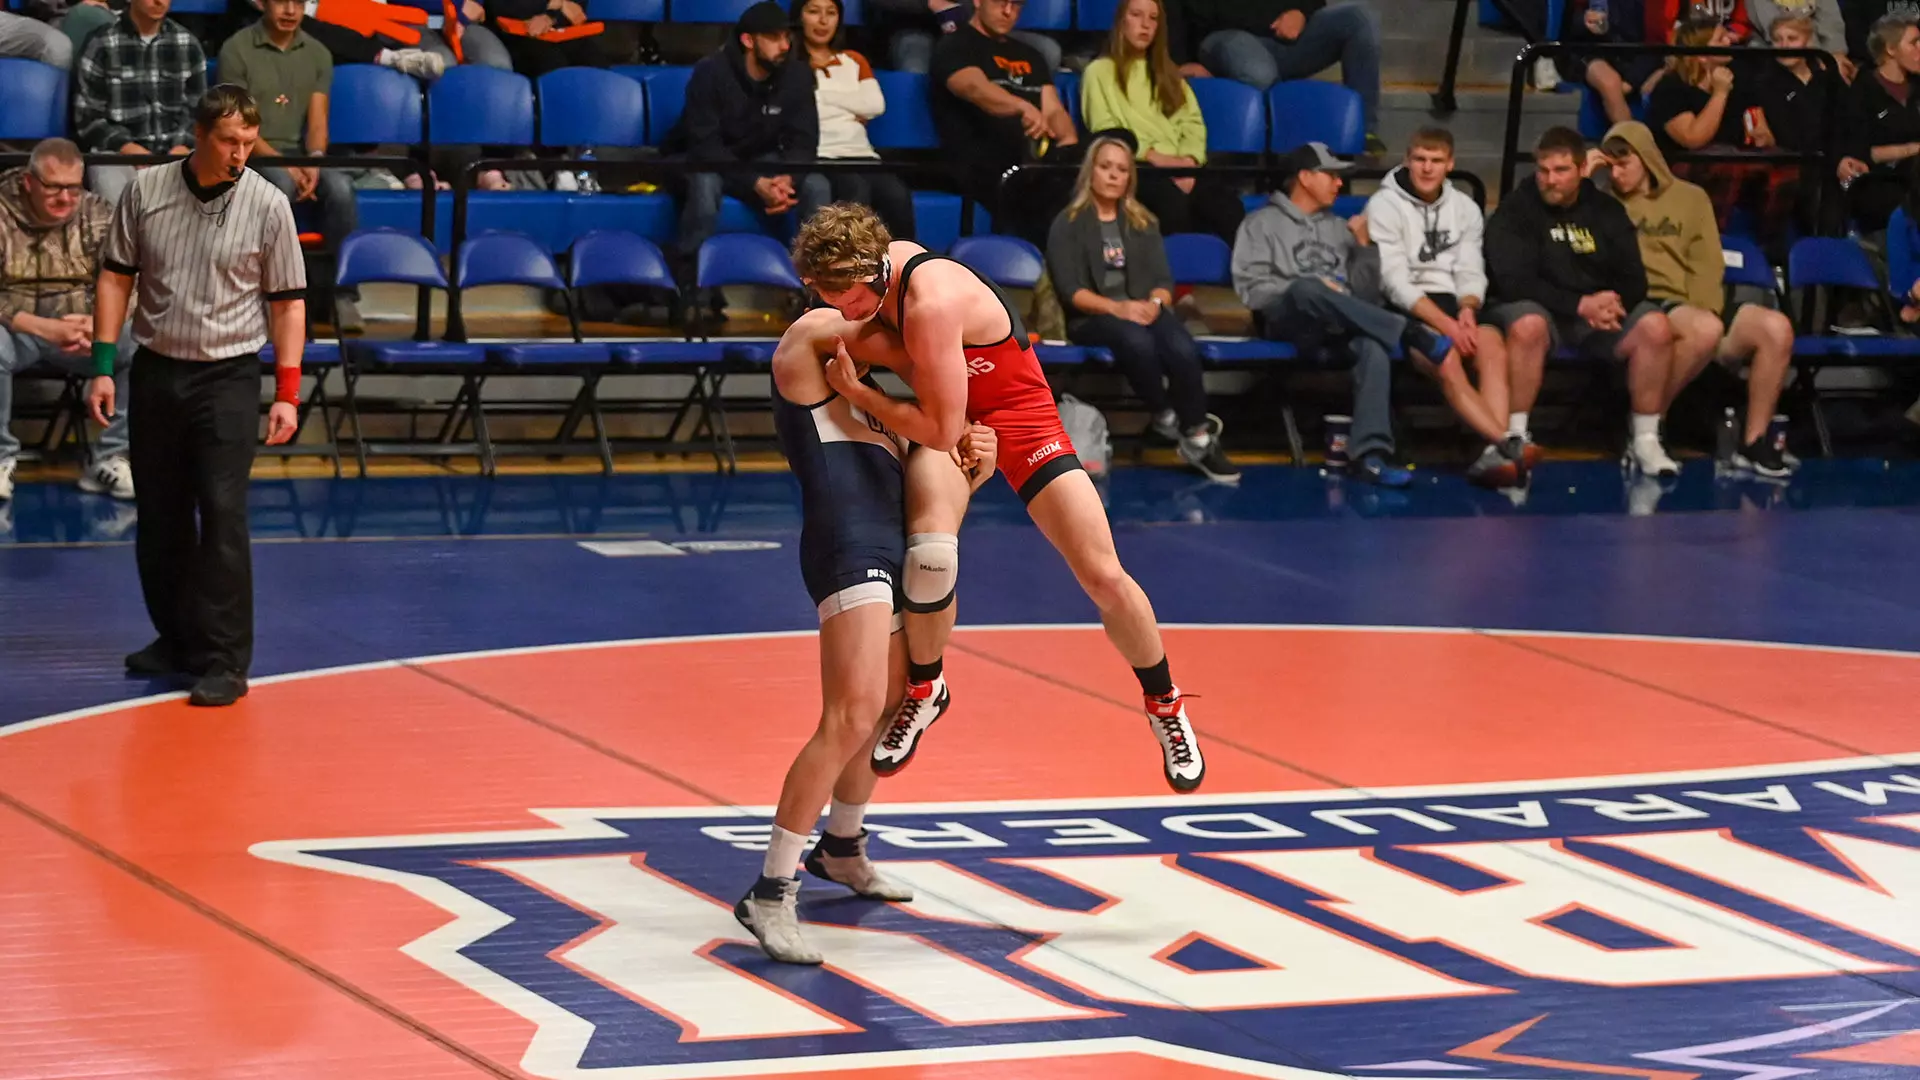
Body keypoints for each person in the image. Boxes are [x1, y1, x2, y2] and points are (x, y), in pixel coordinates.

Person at [790, 202, 1208, 796]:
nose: (842, 308)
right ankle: (925, 688)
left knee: (1103, 574)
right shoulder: (870, 272)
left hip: (1018, 418)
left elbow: (935, 429)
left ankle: (1165, 705)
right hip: (953, 412)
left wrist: (860, 393)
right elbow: (942, 419)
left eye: (847, 296)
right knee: (930, 555)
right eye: (828, 295)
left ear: (873, 271)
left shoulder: (929, 302)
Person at [734, 306, 998, 965]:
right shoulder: (807, 351)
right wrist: (960, 370)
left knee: (884, 707)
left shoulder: (889, 403)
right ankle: (770, 891)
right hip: (847, 548)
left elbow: (935, 498)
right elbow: (875, 334)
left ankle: (842, 848)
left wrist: (973, 460)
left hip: (893, 544)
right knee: (849, 714)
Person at [86, 85, 306, 707]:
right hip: (156, 369)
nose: (240, 154)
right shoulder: (146, 191)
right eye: (229, 141)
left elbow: (288, 304)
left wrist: (286, 394)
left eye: (247, 143)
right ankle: (177, 637)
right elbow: (115, 278)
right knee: (160, 515)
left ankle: (225, 659)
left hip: (229, 375)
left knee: (223, 514)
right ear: (199, 134)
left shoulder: (268, 203)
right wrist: (104, 366)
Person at [1232, 142, 1451, 487]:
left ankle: (1371, 456)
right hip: (1289, 321)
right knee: (1308, 288)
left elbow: (1366, 296)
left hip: (1339, 322)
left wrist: (1363, 247)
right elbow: (1253, 291)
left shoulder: (1339, 227)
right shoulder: (1261, 224)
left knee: (1373, 345)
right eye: (1331, 176)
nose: (1339, 184)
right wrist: (1313, 288)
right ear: (1305, 178)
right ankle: (1407, 330)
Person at [1591, 121, 1797, 477]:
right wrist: (1585, 178)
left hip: (1698, 303)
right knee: (1703, 328)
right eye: (1610, 165)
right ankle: (1646, 428)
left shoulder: (1690, 197)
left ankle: (1754, 442)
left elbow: (1707, 263)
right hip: (1647, 302)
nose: (1617, 173)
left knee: (1775, 327)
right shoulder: (1602, 204)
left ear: (1647, 159)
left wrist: (1708, 312)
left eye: (1624, 163)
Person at [1485, 126, 1684, 478]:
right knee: (1527, 325)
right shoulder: (1515, 210)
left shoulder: (1606, 210)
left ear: (1581, 170)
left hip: (1597, 317)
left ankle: (1646, 440)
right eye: (1543, 170)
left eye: (1561, 171)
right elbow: (1514, 281)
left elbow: (1634, 278)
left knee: (1656, 326)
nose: (1550, 180)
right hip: (1540, 309)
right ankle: (1515, 435)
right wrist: (1579, 304)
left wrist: (1609, 306)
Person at [1046, 134, 1238, 482]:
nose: (1113, 175)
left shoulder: (1143, 221)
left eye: (1122, 169)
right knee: (1136, 340)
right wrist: (1118, 309)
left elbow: (1163, 280)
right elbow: (1071, 291)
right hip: (1092, 316)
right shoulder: (1068, 223)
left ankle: (1197, 435)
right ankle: (1165, 415)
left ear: (1130, 177)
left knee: (1181, 345)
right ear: (1091, 172)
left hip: (1142, 308)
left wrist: (1153, 304)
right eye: (1105, 167)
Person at [1364, 127, 1534, 485]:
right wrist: (1448, 326)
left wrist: (1468, 310)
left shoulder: (1465, 208)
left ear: (1450, 164)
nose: (1427, 168)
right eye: (1420, 160)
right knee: (1448, 357)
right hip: (1409, 308)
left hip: (1456, 305)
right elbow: (1394, 283)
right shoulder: (1383, 205)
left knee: (1491, 347)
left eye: (1436, 161)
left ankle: (1491, 454)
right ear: (1407, 161)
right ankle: (1504, 442)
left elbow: (1471, 270)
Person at [0, 138, 133, 503]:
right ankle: (0, 459)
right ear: (29, 182)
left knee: (147, 341)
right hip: (18, 331)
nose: (65, 199)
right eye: (54, 188)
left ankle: (111, 458)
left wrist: (100, 323)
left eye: (73, 188)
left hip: (86, 328)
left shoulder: (97, 212)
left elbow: (128, 279)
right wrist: (40, 326)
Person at [218, 0, 365, 332]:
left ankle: (340, 296)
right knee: (279, 188)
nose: (289, 11)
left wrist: (313, 159)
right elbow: (236, 125)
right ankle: (275, 296)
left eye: (297, 3)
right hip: (248, 152)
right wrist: (286, 165)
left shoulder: (317, 52)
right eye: (281, 2)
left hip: (297, 154)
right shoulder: (237, 48)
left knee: (341, 188)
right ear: (264, 4)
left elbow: (318, 120)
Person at [662, 1, 829, 283]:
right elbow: (705, 145)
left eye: (787, 37)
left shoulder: (797, 75)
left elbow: (804, 140)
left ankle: (816, 286)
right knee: (705, 183)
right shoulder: (710, 73)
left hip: (760, 160)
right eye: (774, 38)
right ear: (748, 40)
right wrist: (755, 183)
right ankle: (689, 284)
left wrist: (788, 178)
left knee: (817, 183)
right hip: (702, 159)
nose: (785, 46)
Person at [1081, 0, 1245, 242]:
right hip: (1137, 166)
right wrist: (1157, 159)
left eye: (1153, 18)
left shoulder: (1169, 74)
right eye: (1137, 15)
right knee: (1171, 205)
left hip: (1182, 166)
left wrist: (1188, 161)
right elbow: (1105, 129)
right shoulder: (1099, 71)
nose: (1145, 25)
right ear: (1121, 21)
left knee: (1229, 208)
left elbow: (1192, 123)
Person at [928, 0, 1080, 246]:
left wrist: (1069, 145)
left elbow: (1053, 109)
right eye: (1001, 2)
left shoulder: (1030, 55)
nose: (1009, 12)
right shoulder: (955, 45)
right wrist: (1022, 106)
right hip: (984, 164)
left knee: (1100, 159)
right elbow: (975, 89)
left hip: (1036, 164)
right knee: (1053, 198)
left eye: (1017, 4)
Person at [1167, 0, 1384, 153]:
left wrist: (1300, 11)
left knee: (1360, 18)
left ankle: (1363, 133)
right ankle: (1278, 151)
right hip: (1225, 38)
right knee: (1259, 71)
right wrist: (1179, 61)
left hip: (1286, 39)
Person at [796, 0, 916, 241]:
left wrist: (823, 97)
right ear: (799, 17)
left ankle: (904, 268)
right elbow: (801, 110)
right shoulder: (791, 64)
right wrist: (851, 105)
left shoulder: (854, 60)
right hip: (823, 155)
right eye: (813, 12)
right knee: (855, 188)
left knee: (897, 194)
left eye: (831, 13)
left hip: (863, 155)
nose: (823, 20)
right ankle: (851, 268)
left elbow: (874, 105)